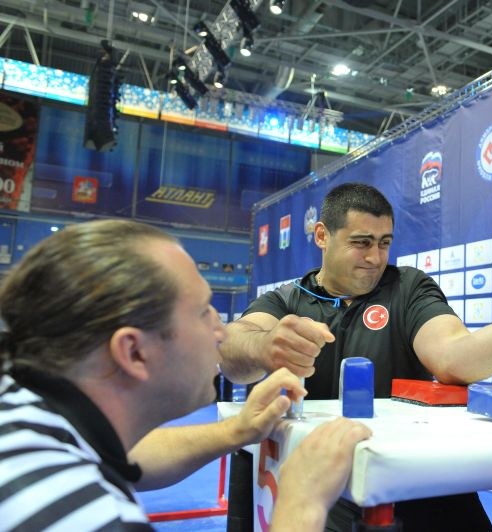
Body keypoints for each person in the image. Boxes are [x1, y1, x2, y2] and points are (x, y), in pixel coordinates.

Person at [221, 182, 492, 531]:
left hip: (425, 491)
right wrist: (266, 345)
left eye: (384, 243)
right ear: (321, 236)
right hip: (325, 491)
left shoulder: (408, 287)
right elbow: (232, 352)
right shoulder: (287, 300)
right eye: (361, 243)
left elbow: (454, 356)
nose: (375, 258)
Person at [0, 219, 371, 531]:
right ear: (133, 352)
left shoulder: (29, 416)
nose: (221, 331)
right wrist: (302, 505)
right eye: (202, 312)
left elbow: (128, 459)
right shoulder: (86, 516)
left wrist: (236, 430)